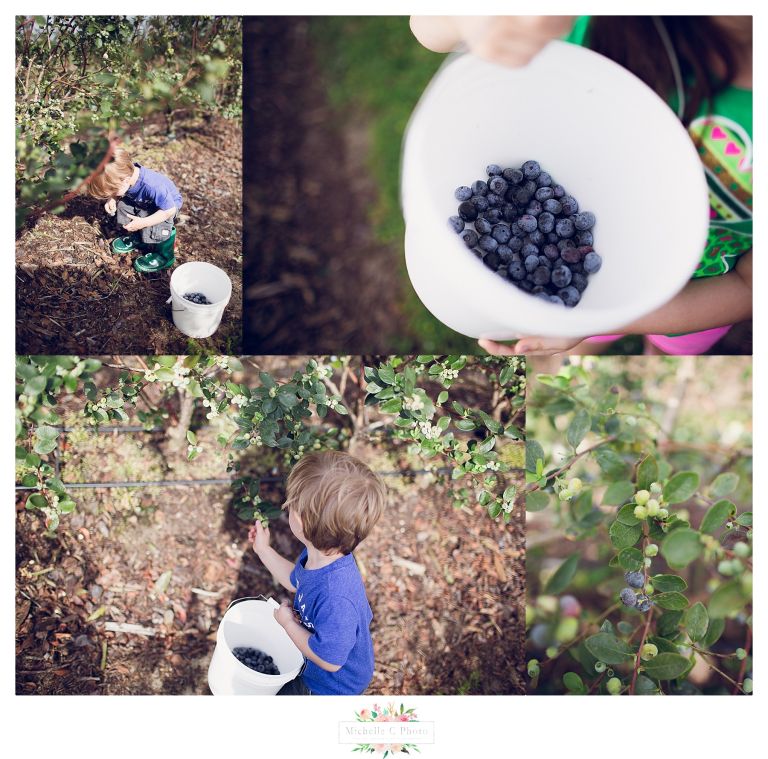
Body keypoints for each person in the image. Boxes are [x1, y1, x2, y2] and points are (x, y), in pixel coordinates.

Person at [411, 16, 753, 355]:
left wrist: (606, 321)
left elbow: (750, 287)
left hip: (700, 293)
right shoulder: (572, 19)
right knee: (579, 354)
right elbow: (425, 26)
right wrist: (473, 20)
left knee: (668, 354)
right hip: (598, 298)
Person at [250, 451, 386, 695]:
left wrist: (288, 624)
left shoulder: (337, 596)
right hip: (315, 665)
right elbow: (296, 582)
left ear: (300, 522)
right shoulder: (323, 554)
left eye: (291, 504)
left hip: (329, 687)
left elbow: (330, 660)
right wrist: (263, 550)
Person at [85, 146, 183, 274]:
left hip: (165, 208)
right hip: (145, 203)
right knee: (124, 205)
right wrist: (112, 198)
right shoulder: (126, 176)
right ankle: (140, 238)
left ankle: (165, 256)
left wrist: (144, 222)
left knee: (159, 225)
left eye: (112, 191)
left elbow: (168, 211)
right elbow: (118, 188)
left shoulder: (152, 186)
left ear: (125, 180)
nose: (112, 193)